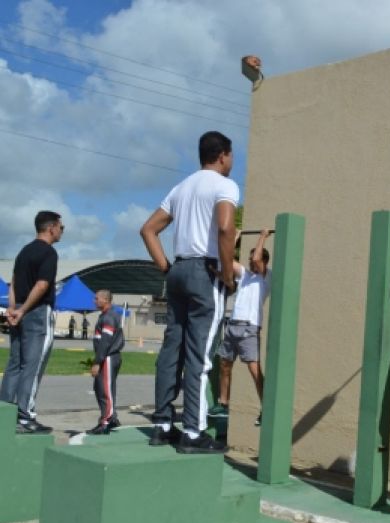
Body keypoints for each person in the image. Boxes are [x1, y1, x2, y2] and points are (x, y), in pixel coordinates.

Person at [140, 130, 238, 454]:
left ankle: (162, 425)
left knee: (172, 349)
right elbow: (225, 227)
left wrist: (166, 268)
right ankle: (193, 433)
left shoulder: (181, 187)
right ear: (223, 155)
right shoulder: (224, 185)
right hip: (204, 272)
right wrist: (227, 274)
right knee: (200, 355)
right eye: (231, 156)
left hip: (178, 270)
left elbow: (148, 229)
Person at [0, 210, 63, 434]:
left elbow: (13, 283)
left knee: (15, 364)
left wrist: (13, 308)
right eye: (61, 227)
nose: (62, 231)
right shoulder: (49, 253)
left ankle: (4, 412)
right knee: (33, 366)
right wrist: (24, 309)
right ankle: (25, 417)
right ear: (51, 228)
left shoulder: (24, 251)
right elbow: (42, 285)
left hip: (18, 310)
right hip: (36, 312)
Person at [211, 228, 272, 424]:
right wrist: (234, 238)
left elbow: (257, 258)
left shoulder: (266, 276)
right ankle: (223, 403)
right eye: (249, 258)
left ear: (264, 262)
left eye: (253, 259)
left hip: (249, 328)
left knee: (254, 370)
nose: (251, 261)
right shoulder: (245, 275)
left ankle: (266, 408)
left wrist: (262, 236)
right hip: (233, 325)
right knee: (224, 365)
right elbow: (227, 259)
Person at [87, 290, 125, 435]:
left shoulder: (109, 316)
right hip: (108, 357)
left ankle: (105, 421)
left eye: (96, 298)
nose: (94, 301)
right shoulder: (106, 315)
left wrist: (98, 362)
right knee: (103, 388)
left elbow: (105, 341)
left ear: (105, 300)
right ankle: (112, 417)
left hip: (108, 357)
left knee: (104, 390)